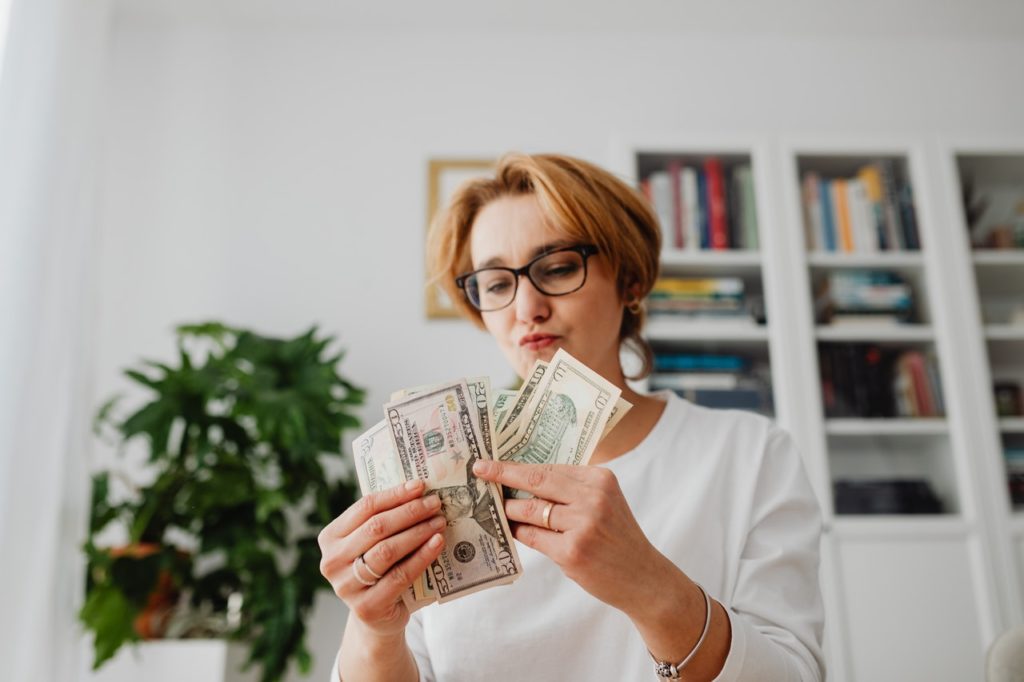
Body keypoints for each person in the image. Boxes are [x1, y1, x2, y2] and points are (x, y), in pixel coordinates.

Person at [318, 153, 825, 681]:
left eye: (557, 268)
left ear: (629, 280)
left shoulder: (751, 453)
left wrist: (649, 585)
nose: (526, 307)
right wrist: (374, 630)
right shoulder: (434, 474)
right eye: (495, 284)